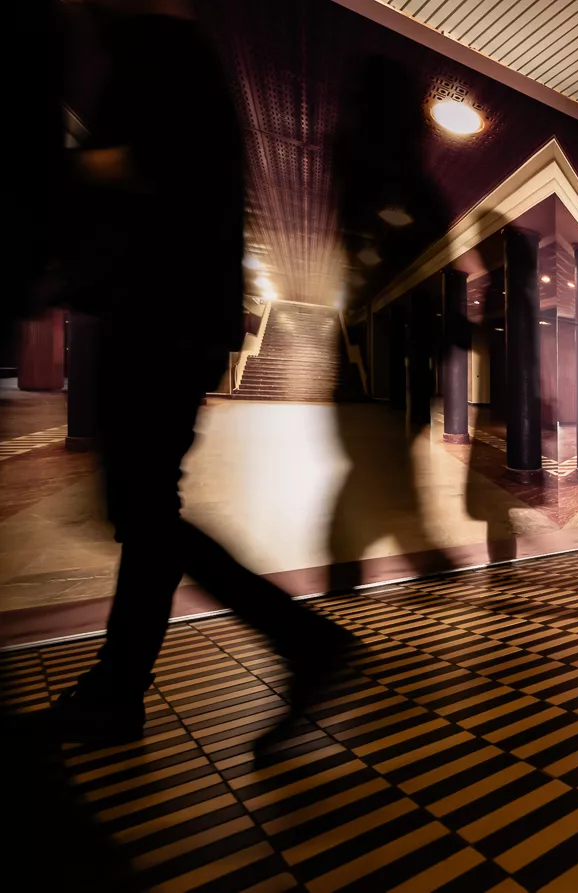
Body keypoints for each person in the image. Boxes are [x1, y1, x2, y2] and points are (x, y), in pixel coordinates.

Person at [50, 0, 352, 748]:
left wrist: (57, 174)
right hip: (166, 313)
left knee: (144, 509)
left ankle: (294, 642)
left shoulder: (162, 51)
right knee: (144, 509)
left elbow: (161, 164)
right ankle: (125, 687)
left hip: (160, 314)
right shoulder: (163, 50)